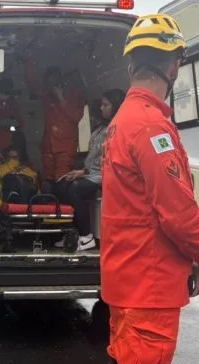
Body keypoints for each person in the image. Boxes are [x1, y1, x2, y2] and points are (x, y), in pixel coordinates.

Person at [93, 14, 199, 364]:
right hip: (149, 286)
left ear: (131, 63)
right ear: (174, 65)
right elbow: (177, 211)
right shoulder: (150, 125)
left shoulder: (122, 121)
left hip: (129, 279)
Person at [55, 89, 125, 251]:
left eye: (106, 105)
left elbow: (112, 159)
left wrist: (86, 174)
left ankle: (86, 236)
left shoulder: (117, 128)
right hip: (92, 173)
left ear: (116, 106)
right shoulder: (101, 128)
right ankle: (71, 233)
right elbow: (93, 157)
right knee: (61, 185)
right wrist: (82, 171)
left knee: (75, 189)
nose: (102, 108)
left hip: (106, 174)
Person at [25, 59, 86, 191]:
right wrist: (28, 62)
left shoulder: (74, 94)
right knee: (48, 182)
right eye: (48, 83)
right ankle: (50, 208)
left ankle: (63, 208)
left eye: (53, 83)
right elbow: (33, 86)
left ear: (60, 81)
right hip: (48, 147)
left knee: (62, 182)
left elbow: (77, 117)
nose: (50, 86)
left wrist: (61, 99)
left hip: (65, 148)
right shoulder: (47, 95)